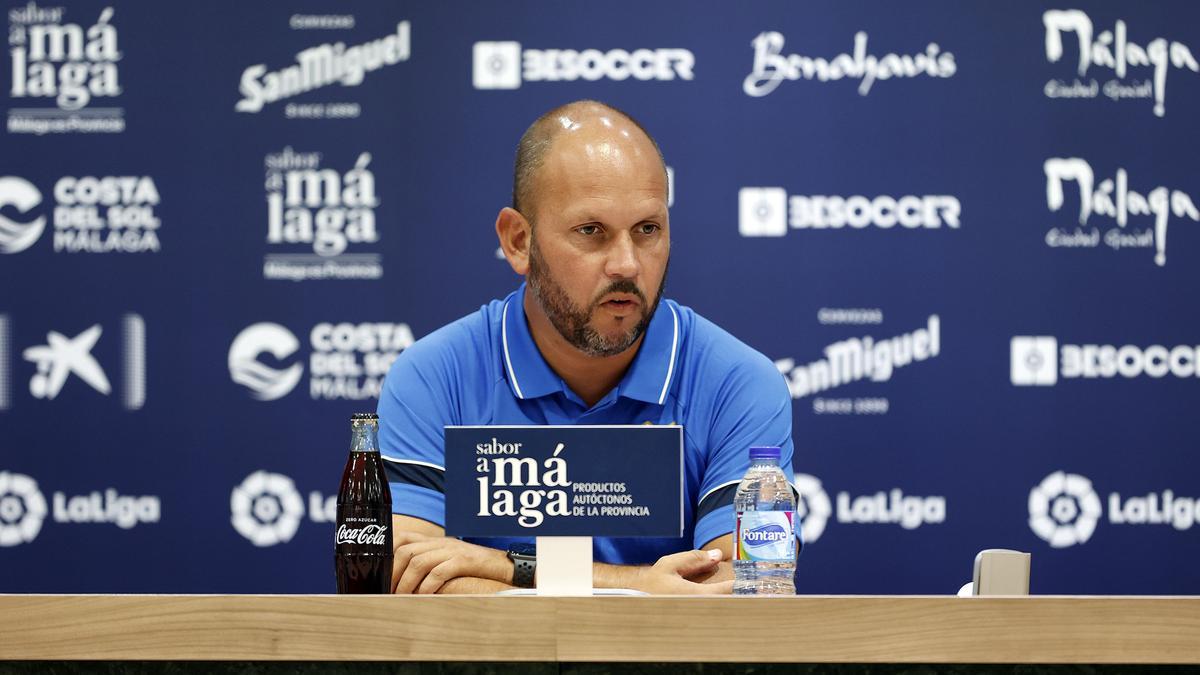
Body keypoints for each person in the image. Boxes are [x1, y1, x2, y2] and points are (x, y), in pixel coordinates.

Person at [377, 100, 794, 594]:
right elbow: (407, 576)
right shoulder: (433, 377)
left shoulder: (737, 383)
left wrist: (500, 568)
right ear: (518, 241)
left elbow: (739, 588)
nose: (626, 265)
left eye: (647, 230)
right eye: (591, 232)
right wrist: (640, 587)